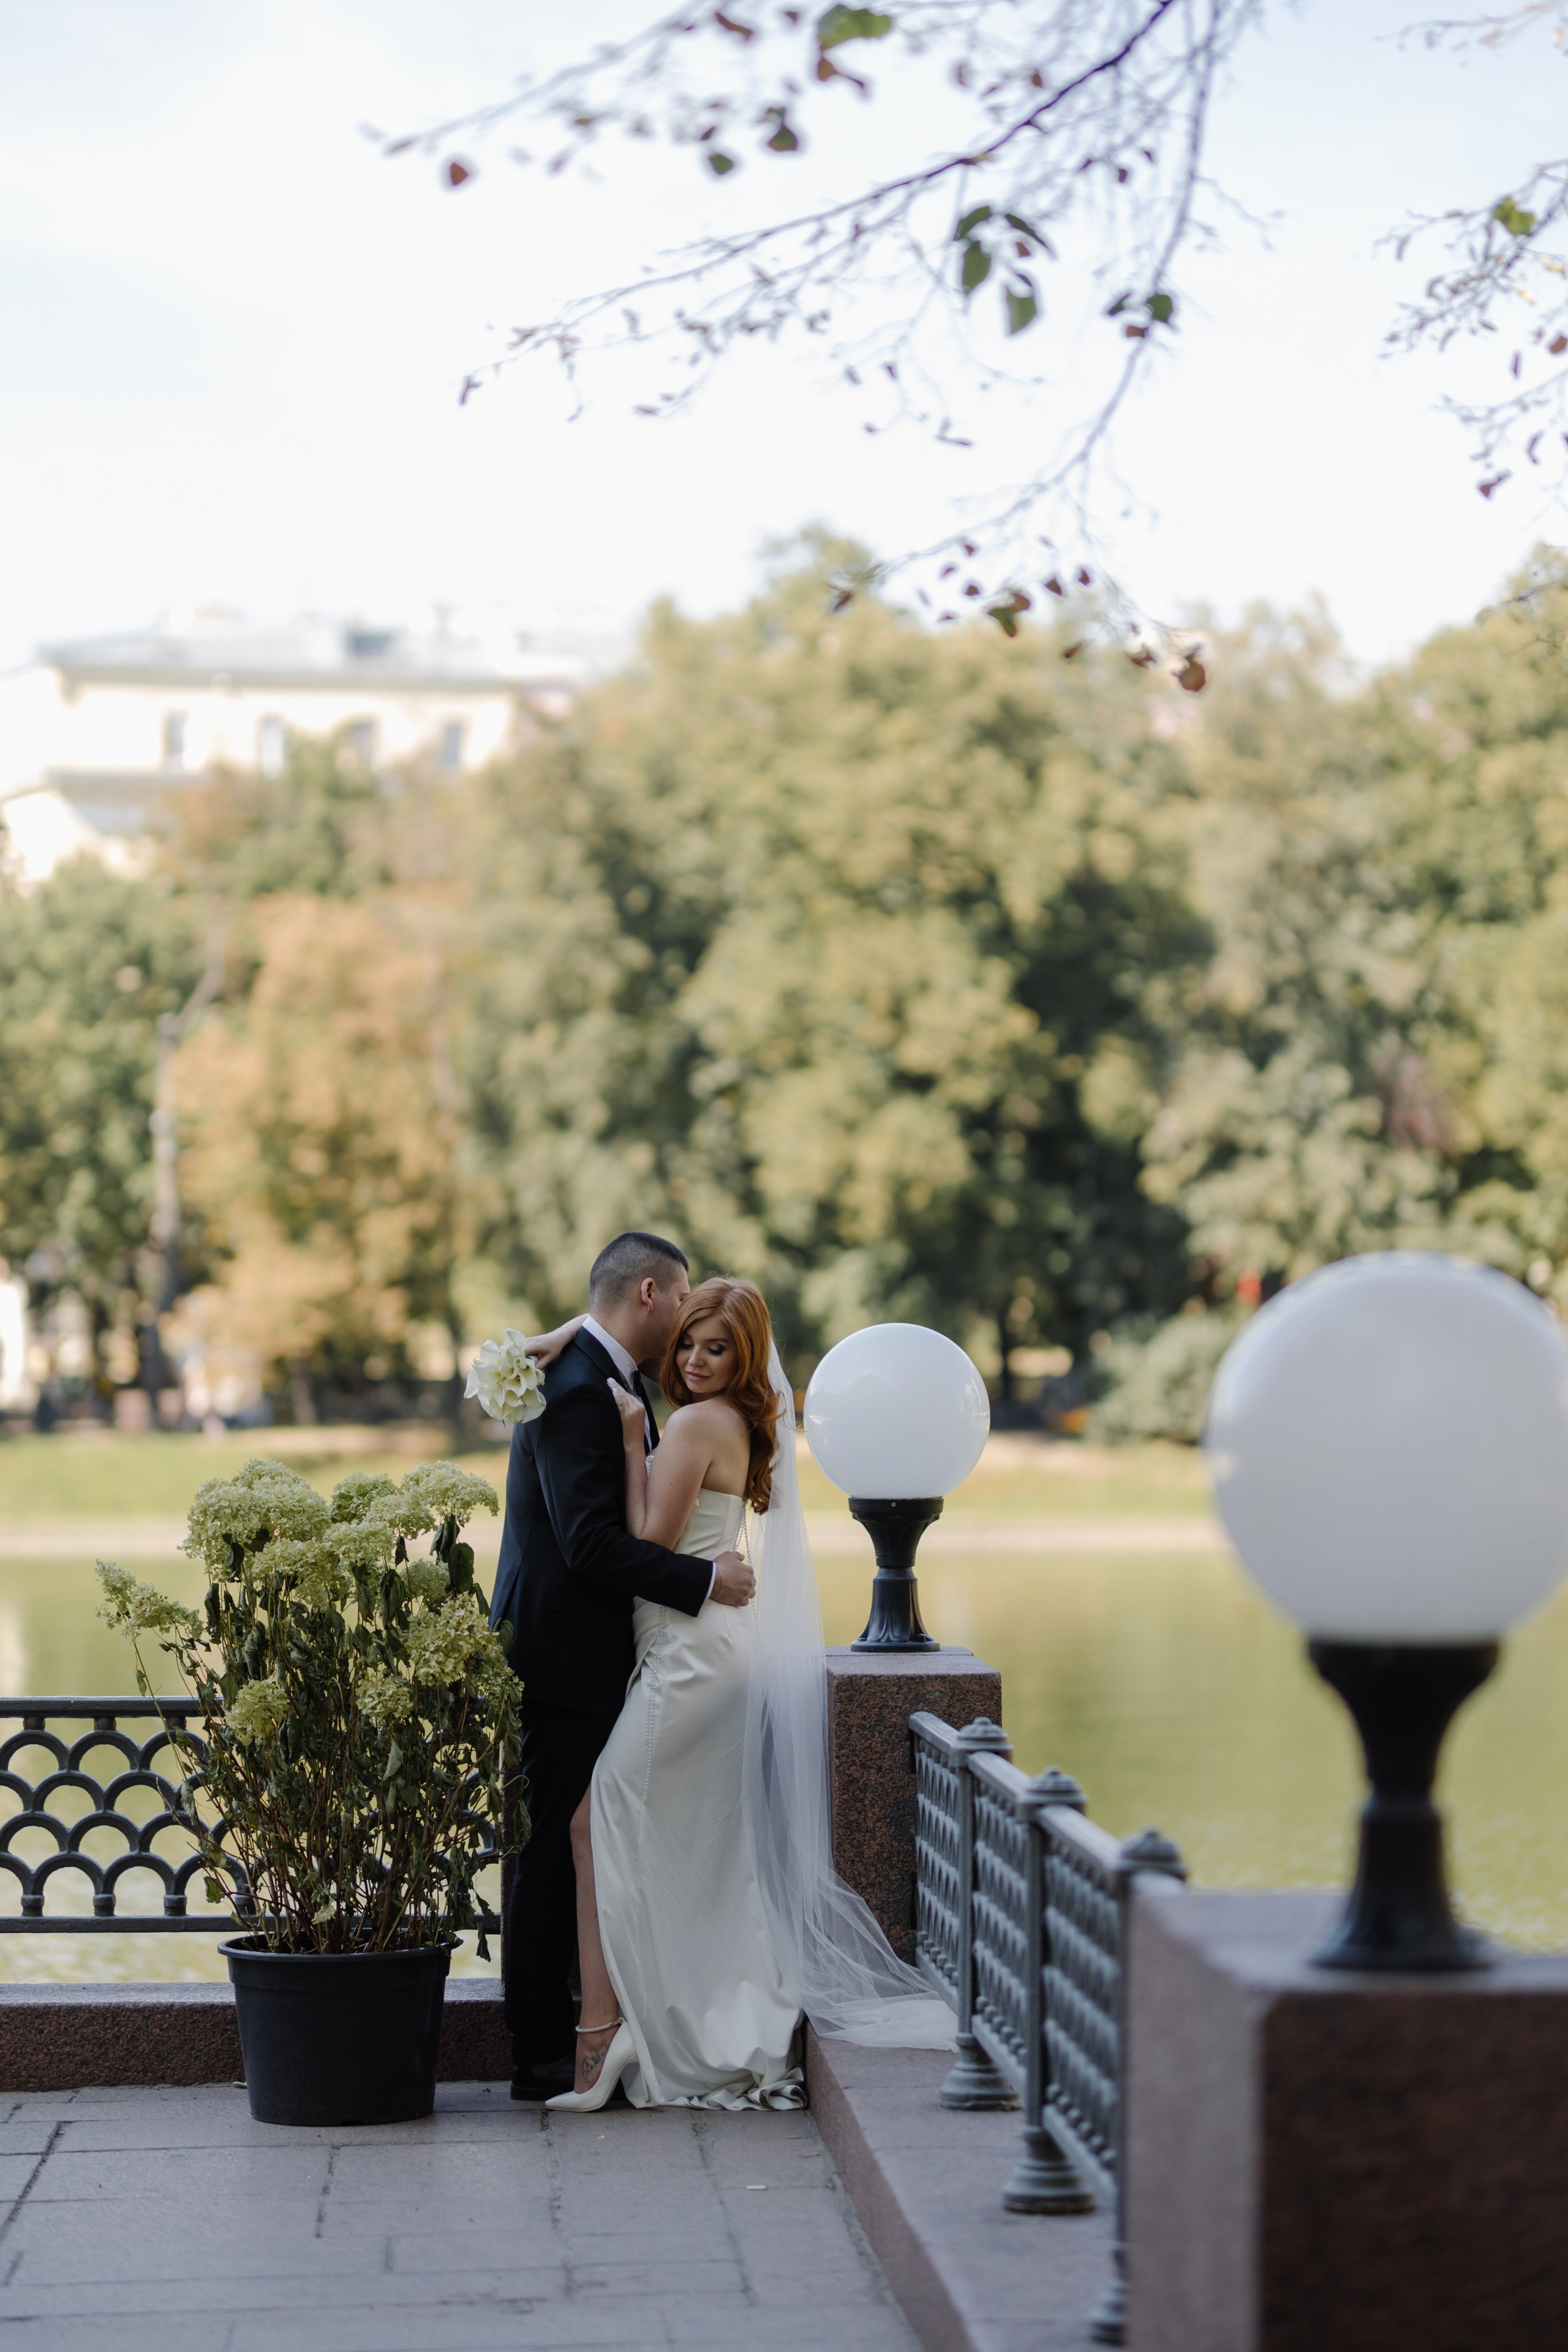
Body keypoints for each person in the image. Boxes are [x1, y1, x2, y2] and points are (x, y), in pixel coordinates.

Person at [522, 1275, 955, 2116]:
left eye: (714, 1349)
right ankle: (676, 2015)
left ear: (743, 1356)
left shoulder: (691, 1423)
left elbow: (645, 1539)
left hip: (691, 1658)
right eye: (685, 1344)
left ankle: (615, 2028)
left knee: (594, 1817)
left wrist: (626, 1441)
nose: (691, 1360)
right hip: (701, 1648)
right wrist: (579, 1328)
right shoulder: (736, 1424)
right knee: (696, 1848)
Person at [488, 1232, 755, 2101]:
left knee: (586, 1831)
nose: (685, 1325)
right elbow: (591, 1544)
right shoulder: (573, 1388)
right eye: (680, 1305)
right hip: (566, 1653)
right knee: (557, 1838)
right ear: (650, 1293)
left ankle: (613, 2017)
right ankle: (539, 2047)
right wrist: (708, 1579)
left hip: (617, 1652)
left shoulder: (599, 1373)